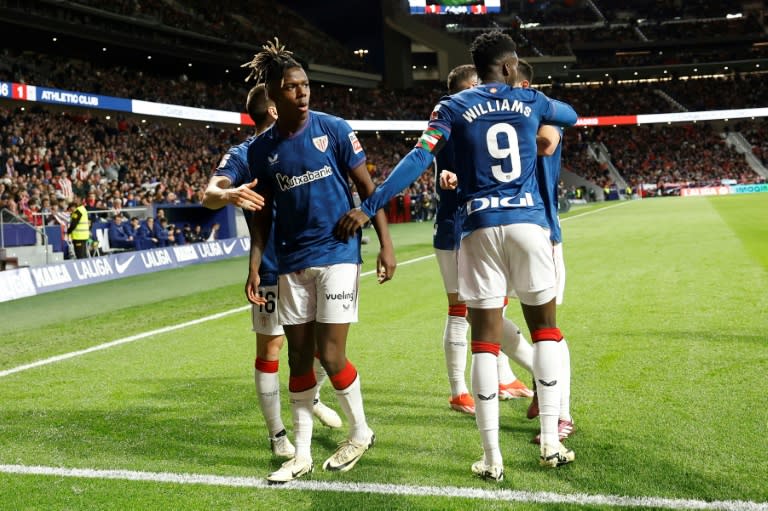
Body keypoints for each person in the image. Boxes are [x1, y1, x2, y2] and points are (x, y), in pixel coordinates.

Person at [336, 31, 578, 480]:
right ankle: (550, 441)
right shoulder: (531, 101)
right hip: (529, 223)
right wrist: (535, 104)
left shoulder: (451, 107)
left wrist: (371, 204)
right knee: (546, 329)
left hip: (478, 227)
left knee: (483, 339)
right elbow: (571, 114)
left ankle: (491, 457)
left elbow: (416, 157)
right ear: (508, 67)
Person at [241, 38, 396, 483]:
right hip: (290, 262)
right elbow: (263, 214)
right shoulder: (260, 151)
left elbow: (370, 189)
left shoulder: (334, 129)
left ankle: (361, 431)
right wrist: (256, 262)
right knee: (298, 361)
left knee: (331, 354)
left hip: (338, 254)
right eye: (292, 87)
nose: (303, 93)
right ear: (274, 94)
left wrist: (384, 243)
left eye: (306, 85)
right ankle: (301, 455)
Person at [203, 82, 343, 460]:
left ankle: (310, 397)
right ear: (275, 110)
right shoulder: (246, 153)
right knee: (272, 349)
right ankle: (278, 435)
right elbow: (209, 193)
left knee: (324, 347)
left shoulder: (301, 141)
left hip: (312, 259)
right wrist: (229, 194)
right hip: (270, 269)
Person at [434, 64, 533, 416]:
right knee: (462, 310)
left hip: (482, 223)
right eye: (475, 86)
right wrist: (447, 176)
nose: (483, 91)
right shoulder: (449, 117)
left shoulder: (479, 120)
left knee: (497, 303)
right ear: (460, 91)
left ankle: (504, 375)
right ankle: (459, 390)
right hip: (454, 225)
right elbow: (439, 166)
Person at [516, 59, 574, 445]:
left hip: (543, 235)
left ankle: (562, 414)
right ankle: (542, 378)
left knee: (546, 328)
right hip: (502, 233)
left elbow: (548, 141)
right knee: (478, 320)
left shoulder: (542, 115)